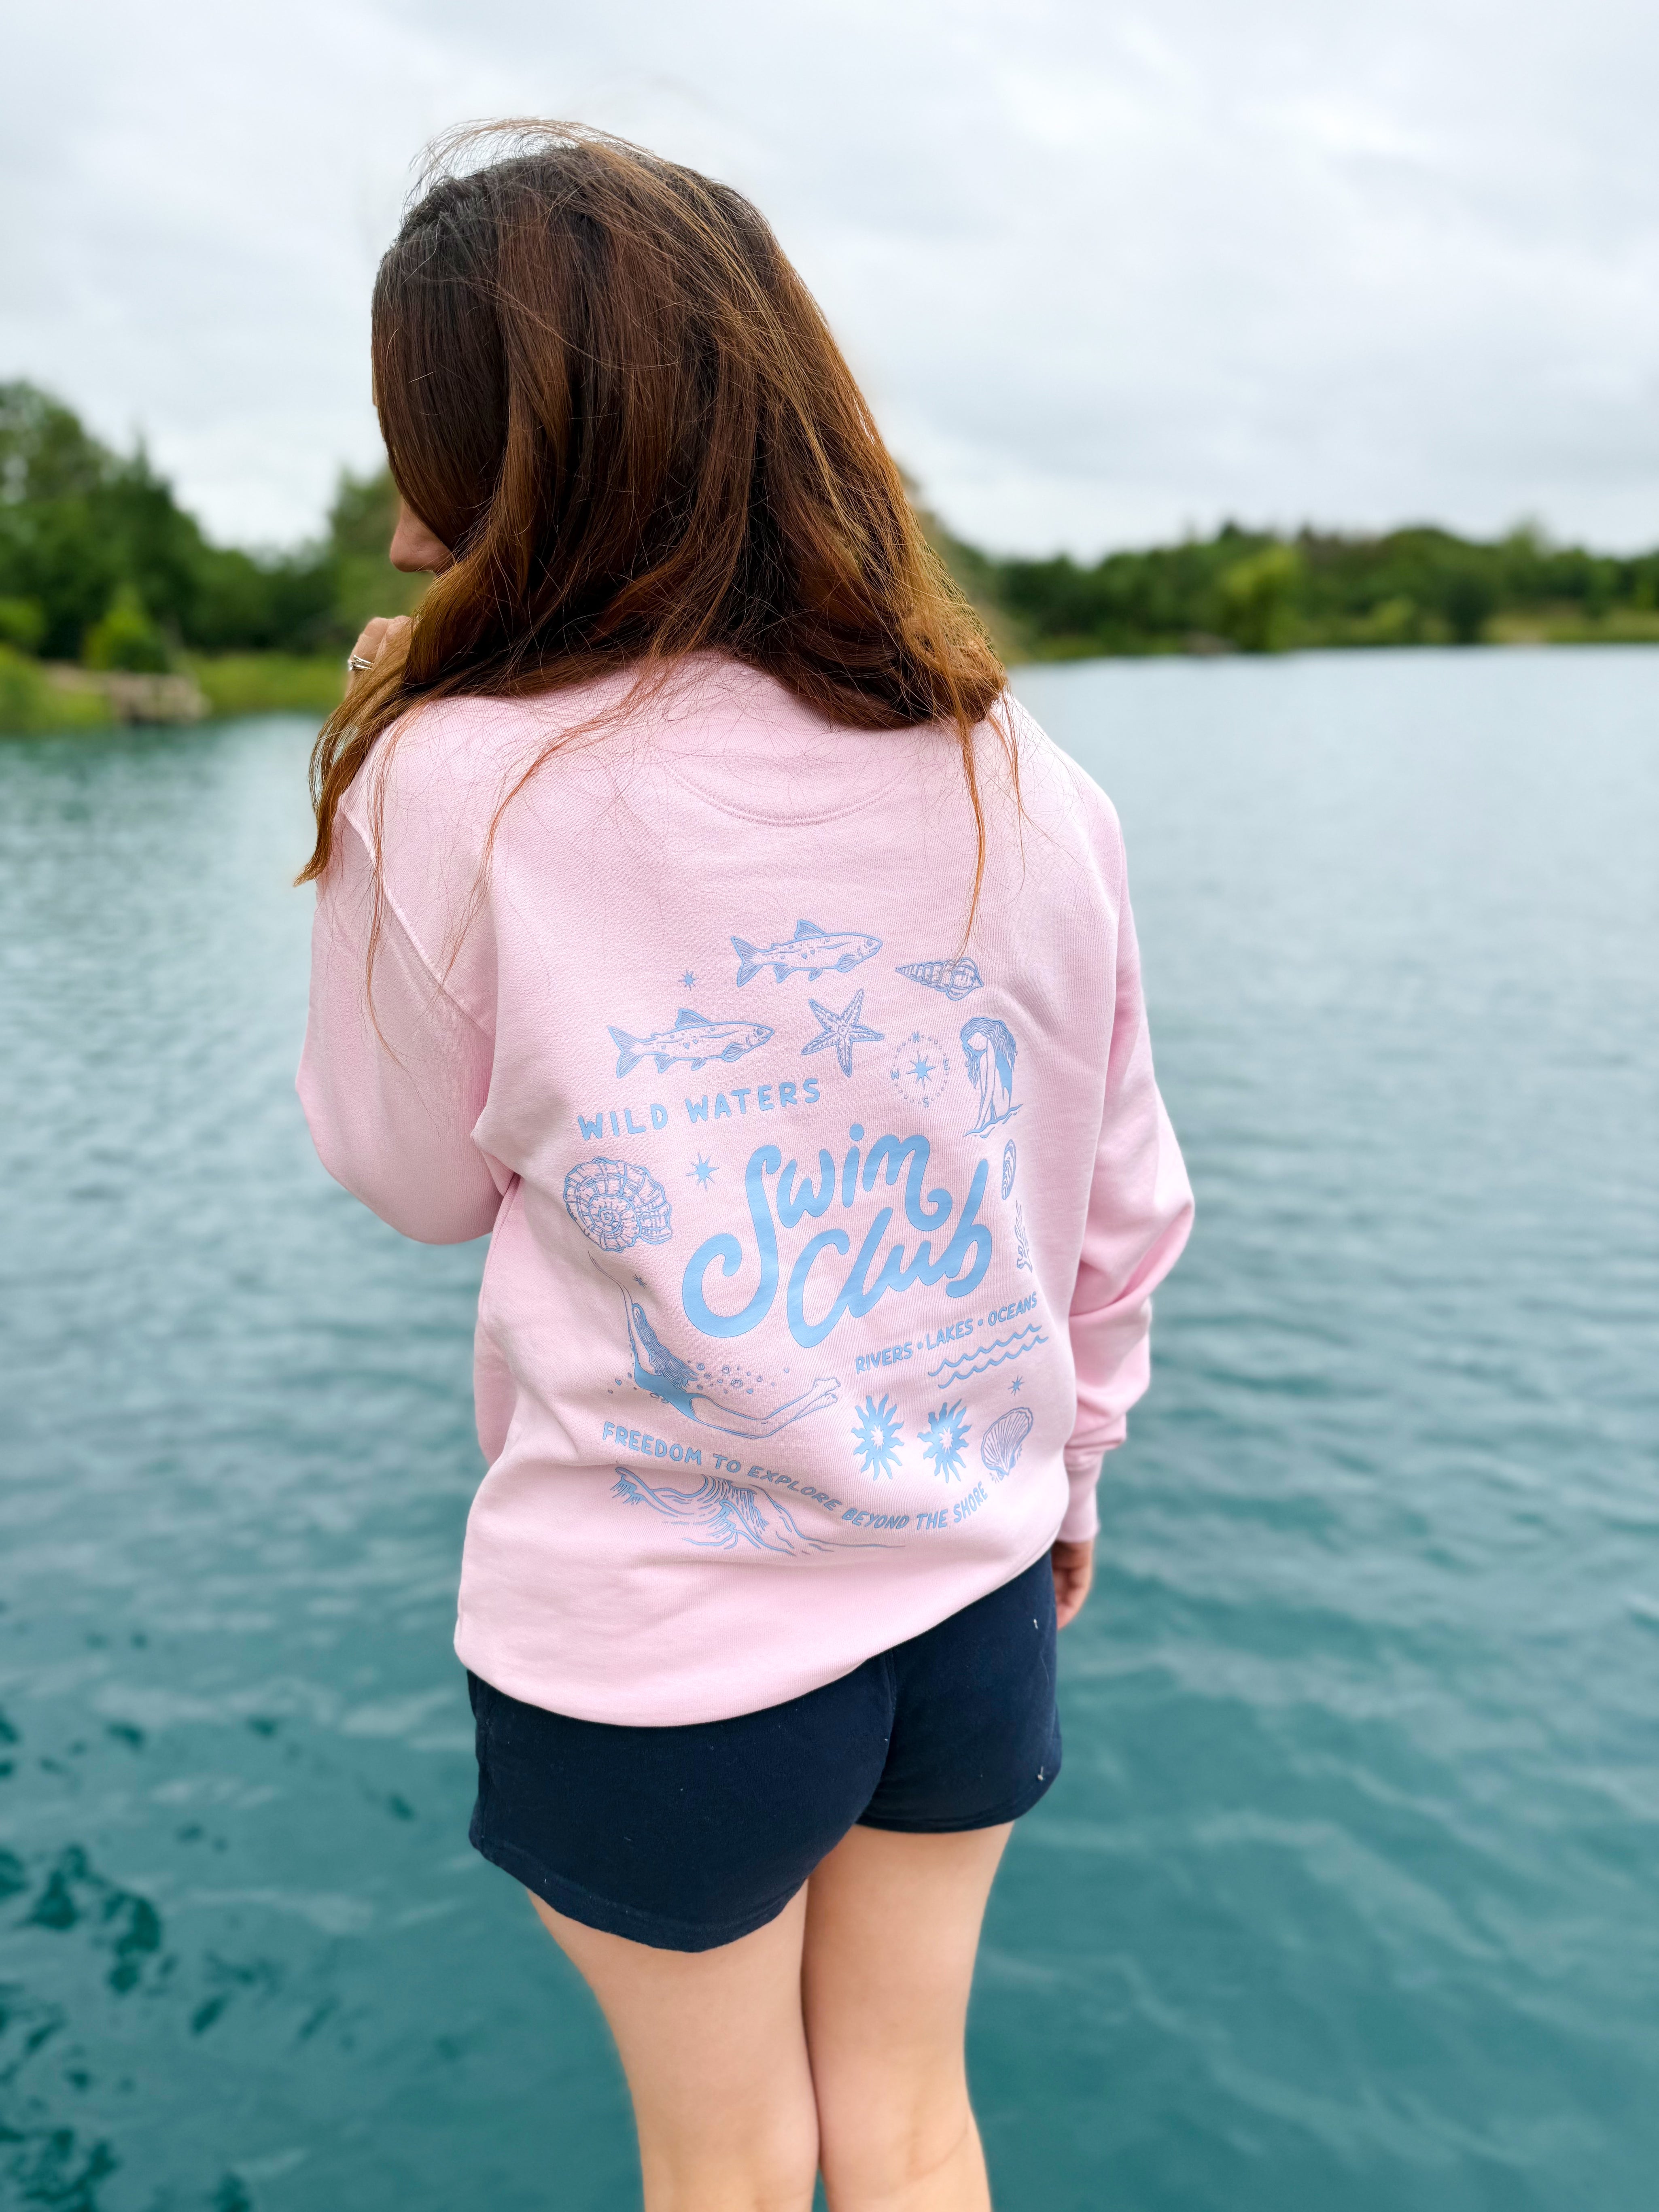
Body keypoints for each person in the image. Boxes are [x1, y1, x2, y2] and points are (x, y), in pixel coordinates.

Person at [297, 121, 1193, 2212]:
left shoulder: (452, 776)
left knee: (725, 2164)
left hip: (663, 1652)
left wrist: (377, 768)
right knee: (911, 2124)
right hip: (970, 1590)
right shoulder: (1016, 766)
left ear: (477, 450)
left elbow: (410, 1176)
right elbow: (1121, 1204)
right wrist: (1068, 1479)